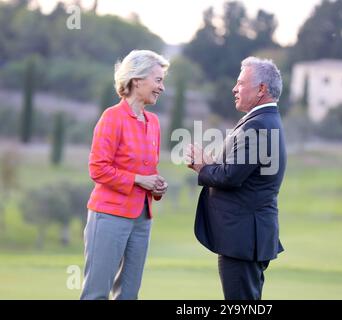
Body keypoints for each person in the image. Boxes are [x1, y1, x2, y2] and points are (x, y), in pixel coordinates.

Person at [186, 56, 287, 300]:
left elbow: (231, 177)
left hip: (243, 239)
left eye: (241, 83)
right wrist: (213, 165)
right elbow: (240, 170)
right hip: (245, 238)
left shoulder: (259, 125)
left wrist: (202, 167)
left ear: (261, 89)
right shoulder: (262, 120)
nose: (234, 88)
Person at [81, 50, 169, 300]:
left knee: (129, 294)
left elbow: (147, 169)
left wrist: (156, 185)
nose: (161, 87)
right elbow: (98, 168)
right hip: (109, 216)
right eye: (158, 80)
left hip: (143, 218)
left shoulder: (153, 122)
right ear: (137, 79)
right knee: (96, 294)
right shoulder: (112, 117)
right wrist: (139, 180)